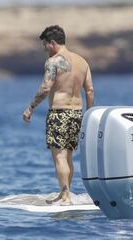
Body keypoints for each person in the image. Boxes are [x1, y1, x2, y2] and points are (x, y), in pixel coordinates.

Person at [22, 25, 94, 205]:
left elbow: (46, 87)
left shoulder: (53, 61)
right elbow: (90, 90)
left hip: (59, 113)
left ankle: (65, 195)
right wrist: (89, 113)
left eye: (45, 44)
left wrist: (30, 107)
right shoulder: (82, 61)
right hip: (77, 113)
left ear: (52, 43)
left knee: (59, 156)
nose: (45, 48)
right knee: (68, 155)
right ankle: (65, 193)